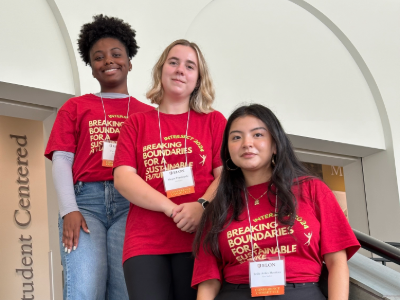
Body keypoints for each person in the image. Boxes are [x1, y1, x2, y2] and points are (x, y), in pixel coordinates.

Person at [192, 104, 360, 300]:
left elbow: (337, 262)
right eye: (236, 137)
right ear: (228, 151)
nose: (247, 143)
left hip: (302, 292)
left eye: (257, 135)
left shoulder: (312, 189)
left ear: (275, 144)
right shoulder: (218, 207)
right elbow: (208, 280)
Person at [44, 15, 153, 300]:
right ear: (92, 69)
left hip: (132, 206)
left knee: (126, 291)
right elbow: (62, 160)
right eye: (98, 57)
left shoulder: (149, 115)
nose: (108, 61)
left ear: (130, 62)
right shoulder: (75, 107)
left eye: (117, 55)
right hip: (85, 204)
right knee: (83, 290)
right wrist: (69, 209)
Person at [113, 39, 227, 300]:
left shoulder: (214, 122)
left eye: (190, 66)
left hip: (199, 239)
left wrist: (201, 206)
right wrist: (170, 208)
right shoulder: (136, 123)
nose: (180, 70)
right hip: (145, 242)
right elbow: (123, 178)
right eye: (173, 62)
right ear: (161, 70)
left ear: (198, 79)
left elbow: (227, 176)